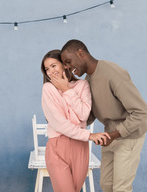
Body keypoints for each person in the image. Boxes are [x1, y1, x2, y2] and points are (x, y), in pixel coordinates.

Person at [60, 39, 147, 192]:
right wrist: (63, 122)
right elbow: (89, 115)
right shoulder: (88, 80)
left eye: (68, 61)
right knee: (106, 186)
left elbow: (141, 111)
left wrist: (115, 134)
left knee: (121, 188)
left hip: (128, 137)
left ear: (80, 53)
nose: (67, 67)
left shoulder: (112, 72)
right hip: (109, 136)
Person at [41, 49, 110, 192]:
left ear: (64, 65)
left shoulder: (82, 85)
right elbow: (59, 123)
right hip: (58, 146)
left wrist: (66, 90)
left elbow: (84, 115)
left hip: (80, 147)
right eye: (47, 69)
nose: (50, 71)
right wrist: (88, 134)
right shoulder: (48, 89)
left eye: (54, 65)